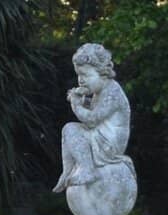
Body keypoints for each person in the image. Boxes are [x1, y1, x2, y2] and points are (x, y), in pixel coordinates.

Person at [53, 43, 135, 193]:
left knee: (71, 129)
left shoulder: (113, 92)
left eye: (86, 75)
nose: (81, 80)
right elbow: (96, 112)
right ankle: (68, 171)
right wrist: (83, 102)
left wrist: (76, 106)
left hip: (110, 144)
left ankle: (88, 169)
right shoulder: (100, 92)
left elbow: (92, 120)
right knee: (69, 130)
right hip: (102, 137)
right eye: (79, 75)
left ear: (103, 73)